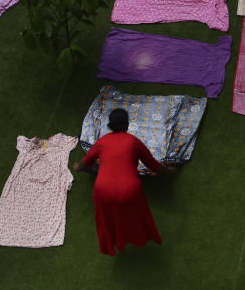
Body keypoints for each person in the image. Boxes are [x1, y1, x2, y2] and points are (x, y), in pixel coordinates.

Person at [72, 108, 176, 256]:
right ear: (127, 125)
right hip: (129, 190)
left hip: (103, 190)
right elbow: (154, 166)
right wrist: (170, 171)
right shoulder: (133, 142)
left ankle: (115, 244)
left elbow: (86, 162)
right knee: (135, 217)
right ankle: (139, 240)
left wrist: (78, 167)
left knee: (110, 219)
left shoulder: (102, 142)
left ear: (110, 125)